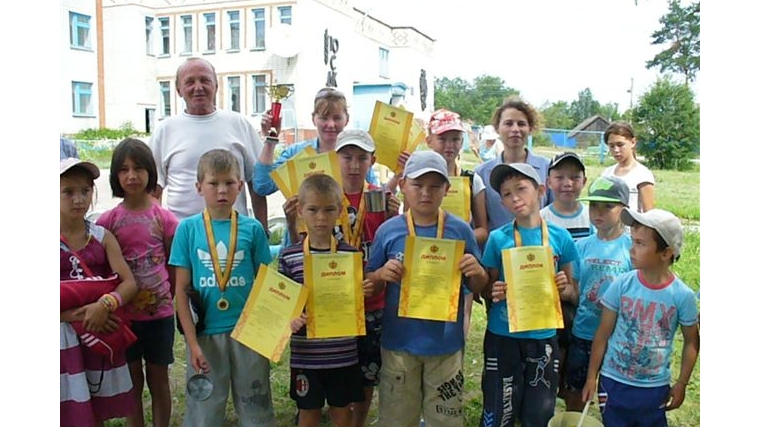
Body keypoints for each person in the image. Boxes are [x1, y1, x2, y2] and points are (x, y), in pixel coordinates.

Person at [365, 150, 489, 427]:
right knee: (397, 418)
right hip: (399, 345)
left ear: (447, 189)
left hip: (445, 345)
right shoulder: (388, 231)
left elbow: (478, 285)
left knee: (444, 420)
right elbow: (369, 287)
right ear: (403, 185)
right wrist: (381, 275)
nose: (425, 193)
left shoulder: (460, 230)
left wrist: (477, 271)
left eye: (435, 186)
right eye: (418, 185)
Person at [170, 149, 275, 427]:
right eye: (213, 183)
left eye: (229, 182)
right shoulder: (187, 230)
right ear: (199, 187)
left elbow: (266, 285)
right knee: (204, 408)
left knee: (256, 406)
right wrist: (191, 344)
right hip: (206, 335)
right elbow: (180, 291)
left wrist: (267, 336)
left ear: (240, 186)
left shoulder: (252, 229)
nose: (221, 190)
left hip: (248, 334)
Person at [479, 163, 578, 427]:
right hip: (503, 335)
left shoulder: (561, 237)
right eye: (507, 194)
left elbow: (573, 292)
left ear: (541, 190)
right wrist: (494, 291)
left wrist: (563, 286)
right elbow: (487, 287)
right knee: (500, 409)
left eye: (521, 189)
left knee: (539, 412)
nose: (515, 198)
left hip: (543, 337)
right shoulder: (497, 238)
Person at [581, 208, 699, 427]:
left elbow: (692, 342)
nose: (631, 249)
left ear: (666, 253)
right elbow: (602, 334)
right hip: (613, 382)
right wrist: (591, 377)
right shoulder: (622, 285)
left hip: (653, 387)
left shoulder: (682, 296)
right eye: (632, 241)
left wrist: (682, 383)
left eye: (640, 244)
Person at [95, 138, 179, 427]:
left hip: (160, 316)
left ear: (151, 172)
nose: (132, 176)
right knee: (132, 381)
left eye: (139, 168)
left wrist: (172, 295)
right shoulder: (107, 221)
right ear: (115, 176)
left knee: (159, 380)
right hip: (124, 318)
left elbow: (173, 262)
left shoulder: (164, 218)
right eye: (124, 169)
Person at [280, 174, 366, 427]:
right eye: (313, 210)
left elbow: (356, 300)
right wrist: (291, 319)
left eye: (329, 210)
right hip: (306, 355)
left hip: (343, 353)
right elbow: (283, 304)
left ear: (340, 211)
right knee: (308, 413)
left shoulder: (351, 256)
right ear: (300, 211)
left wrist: (363, 291)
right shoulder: (289, 257)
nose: (320, 218)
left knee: (342, 412)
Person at [60, 157, 139, 427]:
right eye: (68, 192)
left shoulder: (102, 236)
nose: (78, 199)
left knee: (92, 400)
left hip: (98, 331)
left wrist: (105, 304)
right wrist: (74, 315)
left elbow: (128, 282)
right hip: (61, 337)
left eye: (85, 190)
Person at [330, 130, 400, 427]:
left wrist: (394, 218)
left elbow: (394, 247)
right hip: (336, 299)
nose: (355, 165)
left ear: (372, 159)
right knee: (338, 368)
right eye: (347, 157)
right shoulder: (325, 196)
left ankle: (358, 421)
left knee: (368, 369)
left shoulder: (380, 198)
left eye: (362, 158)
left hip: (374, 299)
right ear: (336, 159)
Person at [253, 87, 381, 249]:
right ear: (314, 119)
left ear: (346, 119)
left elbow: (370, 203)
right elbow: (262, 185)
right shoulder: (297, 153)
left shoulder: (357, 158)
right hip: (299, 245)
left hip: (345, 246)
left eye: (337, 118)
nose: (330, 124)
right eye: (324, 118)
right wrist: (271, 138)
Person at [149, 57, 268, 227]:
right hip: (183, 234)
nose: (198, 88)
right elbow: (154, 190)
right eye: (190, 82)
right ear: (178, 90)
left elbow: (256, 184)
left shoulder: (239, 124)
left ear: (216, 86)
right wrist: (160, 234)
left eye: (205, 80)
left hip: (234, 233)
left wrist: (262, 229)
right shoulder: (165, 130)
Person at [562, 176, 633, 412]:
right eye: (594, 205)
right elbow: (577, 292)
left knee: (614, 398)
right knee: (576, 391)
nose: (598, 212)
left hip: (619, 338)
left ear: (625, 210)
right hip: (583, 332)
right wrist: (563, 290)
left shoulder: (632, 249)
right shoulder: (581, 246)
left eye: (608, 206)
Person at [424, 109, 489, 340]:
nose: (449, 145)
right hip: (427, 261)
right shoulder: (419, 180)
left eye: (456, 139)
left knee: (458, 327)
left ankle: (453, 368)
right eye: (442, 139)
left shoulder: (472, 180)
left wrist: (460, 237)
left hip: (460, 263)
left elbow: (483, 228)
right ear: (428, 140)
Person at [539, 151, 592, 402]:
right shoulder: (541, 219)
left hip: (585, 303)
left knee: (575, 358)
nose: (567, 183)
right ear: (549, 182)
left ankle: (570, 402)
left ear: (584, 181)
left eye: (574, 177)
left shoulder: (593, 217)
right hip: (550, 304)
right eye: (559, 177)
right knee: (552, 356)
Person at [474, 96, 553, 232]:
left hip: (539, 249)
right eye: (508, 123)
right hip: (498, 250)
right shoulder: (481, 173)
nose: (515, 129)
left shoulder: (548, 168)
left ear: (530, 129)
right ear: (497, 128)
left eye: (521, 124)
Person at [601, 121, 655, 213]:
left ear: (633, 142)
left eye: (620, 144)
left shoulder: (643, 175)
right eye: (611, 146)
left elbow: (649, 214)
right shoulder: (606, 173)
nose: (616, 150)